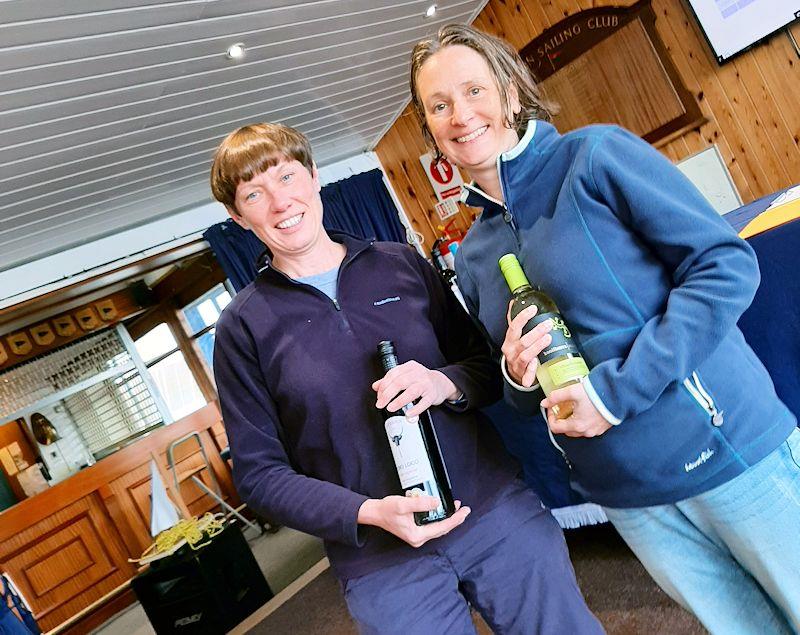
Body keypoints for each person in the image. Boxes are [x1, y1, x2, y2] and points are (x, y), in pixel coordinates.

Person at [409, 23, 800, 635]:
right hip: (625, 494)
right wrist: (515, 372)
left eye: (474, 91)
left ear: (512, 93)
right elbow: (516, 390)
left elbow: (725, 267)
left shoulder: (593, 156)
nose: (461, 115)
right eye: (439, 105)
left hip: (727, 451)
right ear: (430, 127)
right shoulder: (475, 251)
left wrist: (611, 394)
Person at [209, 122, 602, 634]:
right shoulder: (242, 327)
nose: (280, 203)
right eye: (254, 194)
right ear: (238, 217)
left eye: (286, 177)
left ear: (312, 176)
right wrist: (366, 512)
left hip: (494, 513)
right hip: (381, 563)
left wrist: (443, 384)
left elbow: (485, 368)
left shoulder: (398, 264)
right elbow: (260, 476)